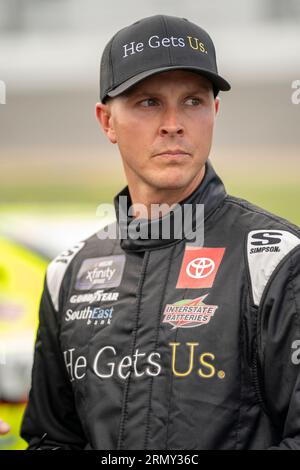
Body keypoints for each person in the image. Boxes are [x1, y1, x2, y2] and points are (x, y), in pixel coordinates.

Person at [21, 15, 300, 450]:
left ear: (215, 112)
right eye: (148, 102)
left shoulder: (276, 261)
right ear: (106, 121)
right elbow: (52, 439)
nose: (174, 123)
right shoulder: (70, 273)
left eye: (193, 101)